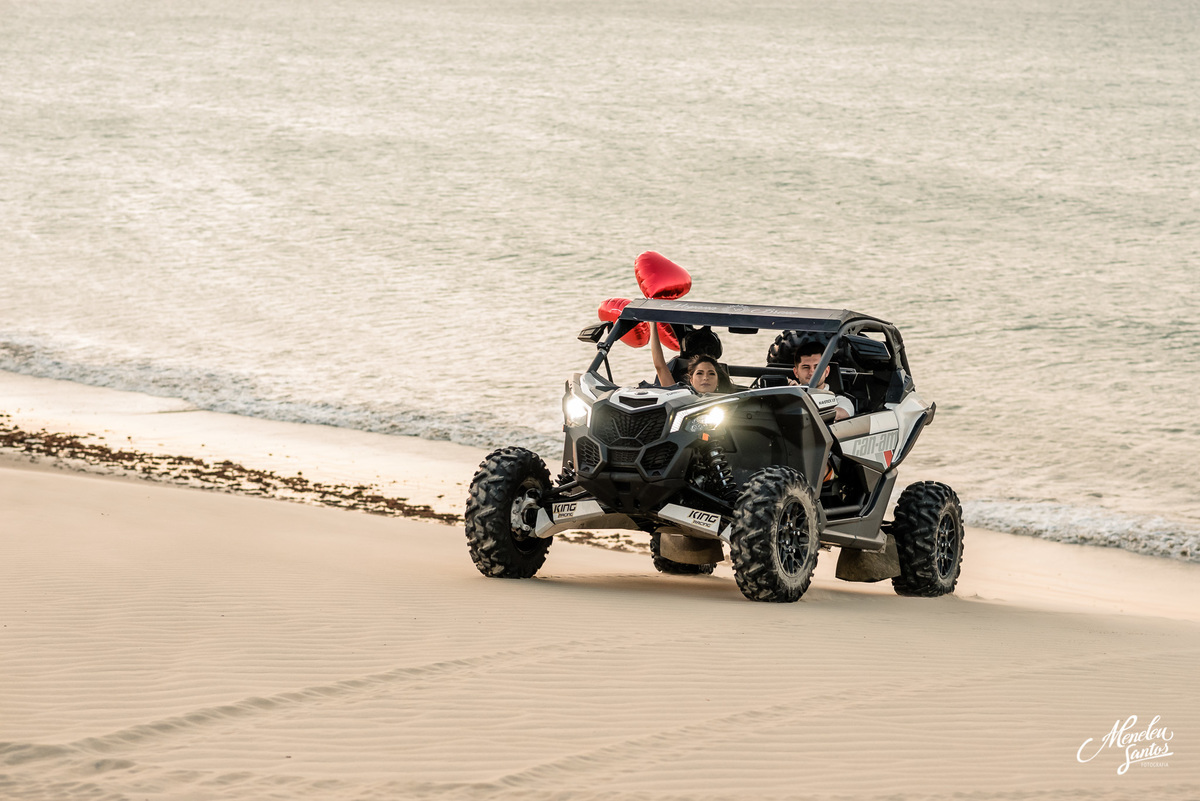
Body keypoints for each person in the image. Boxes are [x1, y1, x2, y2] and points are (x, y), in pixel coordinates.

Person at [651, 324, 724, 395]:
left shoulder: (730, 398)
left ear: (718, 380)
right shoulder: (678, 396)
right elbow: (660, 366)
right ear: (691, 380)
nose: (705, 378)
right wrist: (653, 324)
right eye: (699, 373)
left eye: (711, 373)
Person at [792, 341, 854, 420]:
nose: (812, 372)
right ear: (796, 372)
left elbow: (836, 414)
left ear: (827, 371)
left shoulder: (841, 401)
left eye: (817, 367)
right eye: (806, 367)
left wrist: (800, 397)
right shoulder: (786, 396)